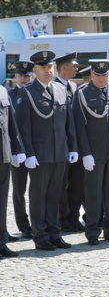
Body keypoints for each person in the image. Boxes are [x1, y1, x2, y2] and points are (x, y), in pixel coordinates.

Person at [15, 50, 78, 251]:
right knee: (38, 196)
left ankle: (54, 232)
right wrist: (29, 153)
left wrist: (72, 147)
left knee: (55, 195)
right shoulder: (27, 92)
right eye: (43, 67)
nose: (48, 71)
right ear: (34, 70)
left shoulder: (60, 90)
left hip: (60, 152)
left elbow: (69, 123)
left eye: (50, 67)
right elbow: (22, 127)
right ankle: (40, 236)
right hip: (39, 155)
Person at [72, 59, 109, 245]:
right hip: (94, 153)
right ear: (91, 75)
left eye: (105, 75)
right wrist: (85, 153)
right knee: (93, 193)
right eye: (98, 75)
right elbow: (79, 127)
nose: (101, 78)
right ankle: (92, 230)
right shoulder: (82, 94)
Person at [54, 52, 85, 233]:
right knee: (61, 184)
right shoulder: (54, 86)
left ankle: (73, 216)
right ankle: (62, 218)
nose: (76, 68)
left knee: (77, 182)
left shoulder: (74, 86)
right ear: (63, 67)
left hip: (76, 145)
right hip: (61, 144)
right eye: (73, 65)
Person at [9, 61, 34, 239]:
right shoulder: (9, 95)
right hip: (17, 150)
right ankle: (23, 224)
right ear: (16, 76)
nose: (24, 78)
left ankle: (40, 222)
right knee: (19, 190)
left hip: (35, 149)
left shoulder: (35, 93)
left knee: (38, 189)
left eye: (27, 75)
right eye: (21, 75)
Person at [0, 84, 26, 257]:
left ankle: (1, 242)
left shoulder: (2, 91)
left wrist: (17, 149)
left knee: (2, 201)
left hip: (3, 153)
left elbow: (11, 124)